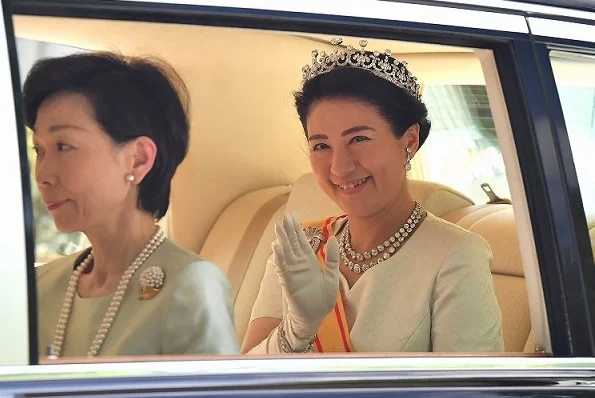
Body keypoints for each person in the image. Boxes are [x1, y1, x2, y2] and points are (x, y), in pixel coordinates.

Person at [242, 39, 504, 354]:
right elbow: (246, 379)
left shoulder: (456, 255)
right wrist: (297, 330)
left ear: (408, 141)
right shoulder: (301, 245)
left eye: (360, 139)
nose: (340, 167)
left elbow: (470, 389)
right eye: (321, 145)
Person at [25, 52, 239, 358]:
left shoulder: (191, 286)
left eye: (63, 146)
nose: (42, 174)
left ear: (138, 159)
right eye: (39, 150)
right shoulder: (40, 286)